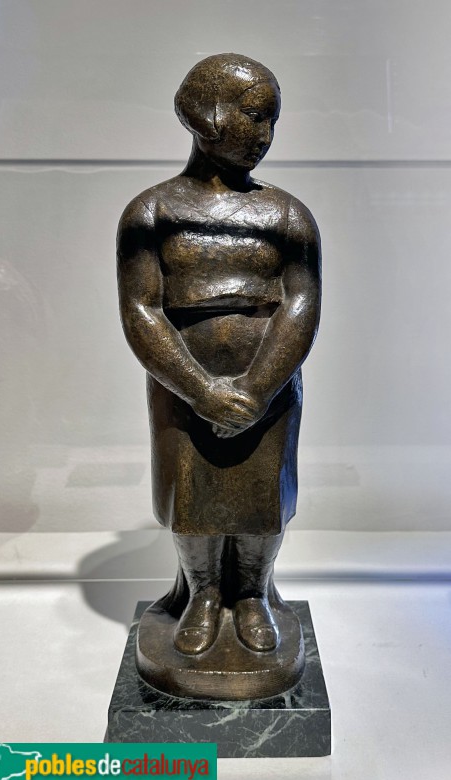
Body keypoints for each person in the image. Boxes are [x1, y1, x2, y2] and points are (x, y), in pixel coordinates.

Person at [117, 54, 321, 659]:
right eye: (255, 116)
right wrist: (200, 388)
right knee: (192, 498)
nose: (266, 134)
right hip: (182, 385)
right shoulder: (151, 212)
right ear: (206, 115)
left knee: (261, 500)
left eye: (272, 120)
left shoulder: (287, 214)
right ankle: (203, 593)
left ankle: (253, 593)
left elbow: (301, 305)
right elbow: (141, 310)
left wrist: (257, 388)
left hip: (269, 386)